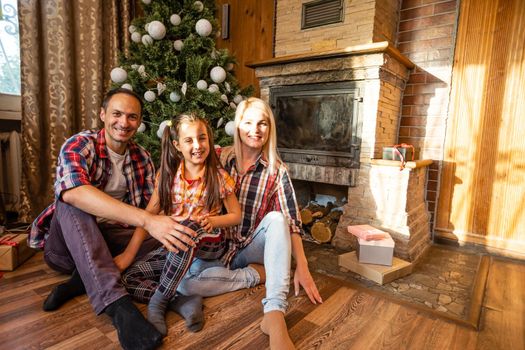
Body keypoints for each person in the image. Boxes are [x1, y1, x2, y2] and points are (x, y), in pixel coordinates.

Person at [29, 88, 198, 350]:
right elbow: (74, 193)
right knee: (71, 200)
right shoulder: (80, 144)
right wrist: (147, 220)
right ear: (102, 114)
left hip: (111, 243)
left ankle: (83, 280)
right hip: (65, 249)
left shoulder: (141, 157)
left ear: (139, 122)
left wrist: (152, 231)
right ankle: (119, 308)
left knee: (171, 232)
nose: (124, 122)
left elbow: (150, 213)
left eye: (132, 117)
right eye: (117, 114)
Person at [177, 97, 323, 349]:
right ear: (238, 126)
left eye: (262, 123)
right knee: (184, 283)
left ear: (270, 128)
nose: (255, 130)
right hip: (217, 248)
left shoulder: (277, 171)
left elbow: (291, 223)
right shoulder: (219, 157)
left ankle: (274, 316)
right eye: (248, 123)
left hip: (249, 246)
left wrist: (303, 266)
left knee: (277, 219)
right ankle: (257, 275)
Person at [117, 114, 241, 336]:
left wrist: (213, 221)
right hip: (176, 248)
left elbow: (235, 215)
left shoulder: (218, 175)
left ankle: (158, 302)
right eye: (189, 140)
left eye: (202, 138)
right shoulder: (167, 177)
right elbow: (148, 217)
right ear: (177, 146)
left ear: (209, 141)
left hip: (209, 245)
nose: (197, 145)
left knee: (190, 227)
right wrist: (128, 254)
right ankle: (182, 302)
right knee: (129, 278)